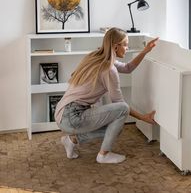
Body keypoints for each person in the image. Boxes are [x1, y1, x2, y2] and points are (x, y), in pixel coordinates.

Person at [55, 27, 159, 164]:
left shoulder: (96, 56)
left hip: (61, 113)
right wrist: (143, 117)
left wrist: (145, 52)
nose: (127, 48)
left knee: (115, 127)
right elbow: (121, 105)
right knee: (121, 111)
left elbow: (128, 68)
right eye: (126, 44)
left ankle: (72, 140)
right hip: (73, 116)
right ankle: (104, 155)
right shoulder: (109, 70)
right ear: (116, 47)